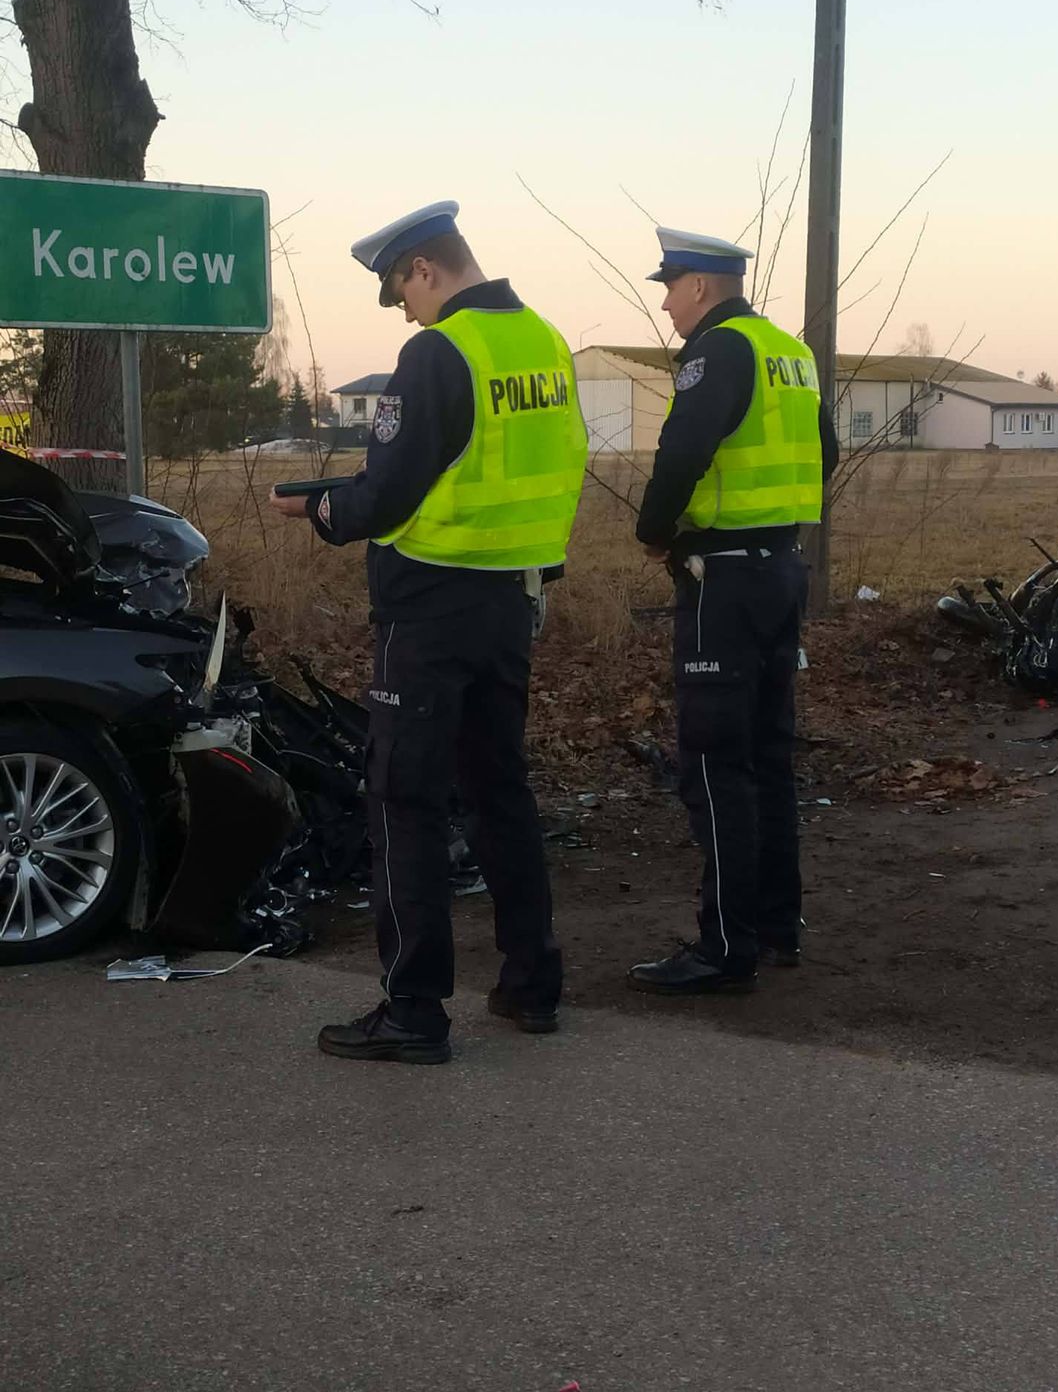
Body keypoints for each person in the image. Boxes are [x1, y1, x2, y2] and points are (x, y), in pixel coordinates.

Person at [269, 201, 588, 1063]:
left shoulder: (438, 351)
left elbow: (392, 493)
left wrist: (326, 508)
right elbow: (542, 463)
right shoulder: (545, 341)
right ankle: (532, 984)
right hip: (509, 602)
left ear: (423, 270)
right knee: (499, 793)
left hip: (430, 611)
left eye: (399, 292)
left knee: (402, 801)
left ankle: (413, 1009)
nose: (404, 311)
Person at [628, 225, 839, 995]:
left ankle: (724, 946)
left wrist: (655, 533)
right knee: (769, 756)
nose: (667, 307)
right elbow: (827, 454)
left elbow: (682, 451)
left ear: (701, 288)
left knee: (715, 765)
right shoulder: (792, 351)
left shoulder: (718, 351)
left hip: (723, 579)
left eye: (670, 288)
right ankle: (777, 924)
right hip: (783, 570)